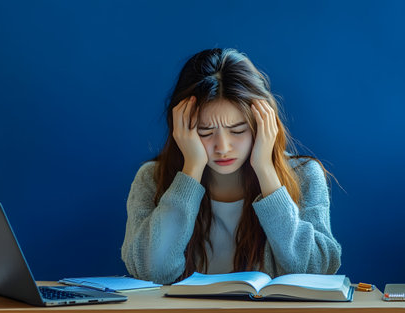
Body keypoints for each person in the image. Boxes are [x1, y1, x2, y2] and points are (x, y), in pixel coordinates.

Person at [121, 48, 342, 285]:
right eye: (205, 132)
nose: (223, 147)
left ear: (261, 124)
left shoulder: (305, 175)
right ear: (181, 128)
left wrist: (266, 170)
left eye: (237, 131)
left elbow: (315, 272)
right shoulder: (151, 179)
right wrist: (192, 170)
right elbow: (152, 270)